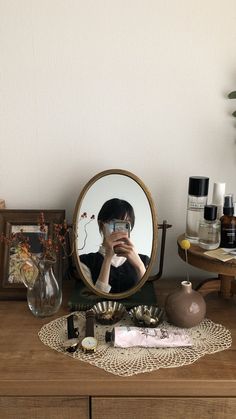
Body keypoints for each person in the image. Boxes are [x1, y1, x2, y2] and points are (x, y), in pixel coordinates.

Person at [80, 198, 150, 293]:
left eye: (125, 224)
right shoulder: (85, 262)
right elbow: (96, 299)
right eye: (114, 222)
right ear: (101, 225)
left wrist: (140, 266)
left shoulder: (144, 261)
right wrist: (108, 258)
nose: (119, 228)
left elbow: (148, 297)